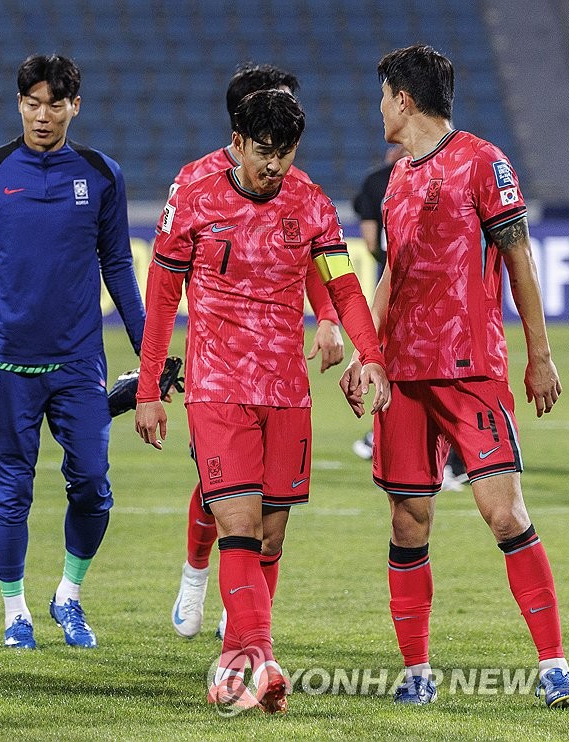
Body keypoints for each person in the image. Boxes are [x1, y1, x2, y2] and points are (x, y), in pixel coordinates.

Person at [136, 89, 390, 713]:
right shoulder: (193, 190)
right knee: (238, 525)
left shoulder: (308, 203)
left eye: (284, 153)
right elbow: (163, 297)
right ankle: (255, 660)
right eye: (263, 153)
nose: (273, 166)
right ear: (239, 141)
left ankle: (244, 655)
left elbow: (346, 288)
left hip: (285, 390)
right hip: (217, 385)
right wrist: (149, 391)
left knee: (270, 538)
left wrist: (371, 354)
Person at [340, 44, 569, 708]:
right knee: (408, 521)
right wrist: (368, 352)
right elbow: (391, 275)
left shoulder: (483, 161)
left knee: (504, 515)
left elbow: (519, 256)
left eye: (384, 95)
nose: (379, 108)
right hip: (403, 379)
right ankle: (417, 672)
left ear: (404, 100)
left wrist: (539, 353)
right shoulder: (396, 180)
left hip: (469, 371)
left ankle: (554, 663)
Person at [0, 54, 145, 650]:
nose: (43, 115)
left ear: (74, 107)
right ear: (19, 104)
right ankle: (15, 612)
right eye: (33, 103)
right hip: (5, 364)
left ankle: (68, 594)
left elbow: (118, 265)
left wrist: (153, 346)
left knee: (92, 483)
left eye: (55, 104)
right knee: (10, 492)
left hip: (77, 362)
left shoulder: (102, 175)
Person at [167, 63, 345, 641]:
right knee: (222, 493)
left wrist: (329, 317)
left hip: (278, 371)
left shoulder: (298, 190)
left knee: (267, 518)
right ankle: (197, 576)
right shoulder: (196, 183)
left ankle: (243, 623)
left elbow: (315, 260)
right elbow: (173, 274)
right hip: (218, 370)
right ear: (239, 128)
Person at [348, 144, 469, 489]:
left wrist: (388, 267)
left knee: (394, 364)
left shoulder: (375, 182)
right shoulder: (439, 176)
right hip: (437, 292)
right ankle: (451, 459)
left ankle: (397, 446)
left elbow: (371, 240)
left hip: (395, 282)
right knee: (441, 374)